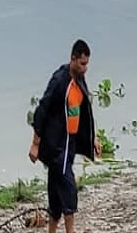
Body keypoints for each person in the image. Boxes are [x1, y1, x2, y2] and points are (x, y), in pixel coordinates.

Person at [29, 40, 101, 233]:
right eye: (82, 64)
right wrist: (35, 143)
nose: (85, 68)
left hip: (71, 142)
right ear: (73, 59)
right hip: (57, 145)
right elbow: (42, 109)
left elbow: (84, 111)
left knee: (55, 192)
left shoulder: (79, 79)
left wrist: (92, 138)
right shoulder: (60, 80)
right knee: (69, 189)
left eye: (87, 64)